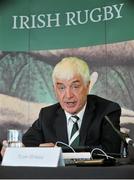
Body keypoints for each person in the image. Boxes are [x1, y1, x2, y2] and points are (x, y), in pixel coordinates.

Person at [22, 57, 121, 154]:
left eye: (75, 86)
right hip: (58, 171)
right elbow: (27, 142)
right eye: (61, 88)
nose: (68, 95)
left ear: (87, 86)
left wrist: (59, 152)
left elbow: (111, 150)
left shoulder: (107, 111)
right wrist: (39, 148)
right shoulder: (47, 115)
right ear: (54, 90)